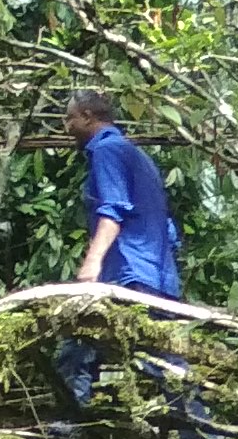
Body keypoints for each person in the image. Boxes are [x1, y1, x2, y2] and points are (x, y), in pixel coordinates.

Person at [55, 87, 186, 416]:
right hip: (158, 276)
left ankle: (75, 425)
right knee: (166, 363)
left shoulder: (107, 151)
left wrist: (92, 263)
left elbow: (113, 211)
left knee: (77, 344)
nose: (66, 127)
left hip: (128, 275)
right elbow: (167, 229)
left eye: (69, 119)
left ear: (87, 117)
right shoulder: (139, 157)